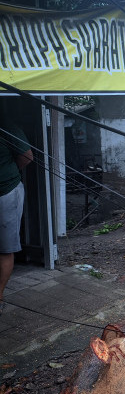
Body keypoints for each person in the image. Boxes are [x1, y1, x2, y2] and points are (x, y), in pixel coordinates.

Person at [0, 123, 32, 311]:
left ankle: (0, 296)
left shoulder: (9, 129)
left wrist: (7, 175)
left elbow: (27, 157)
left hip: (7, 192)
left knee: (5, 247)